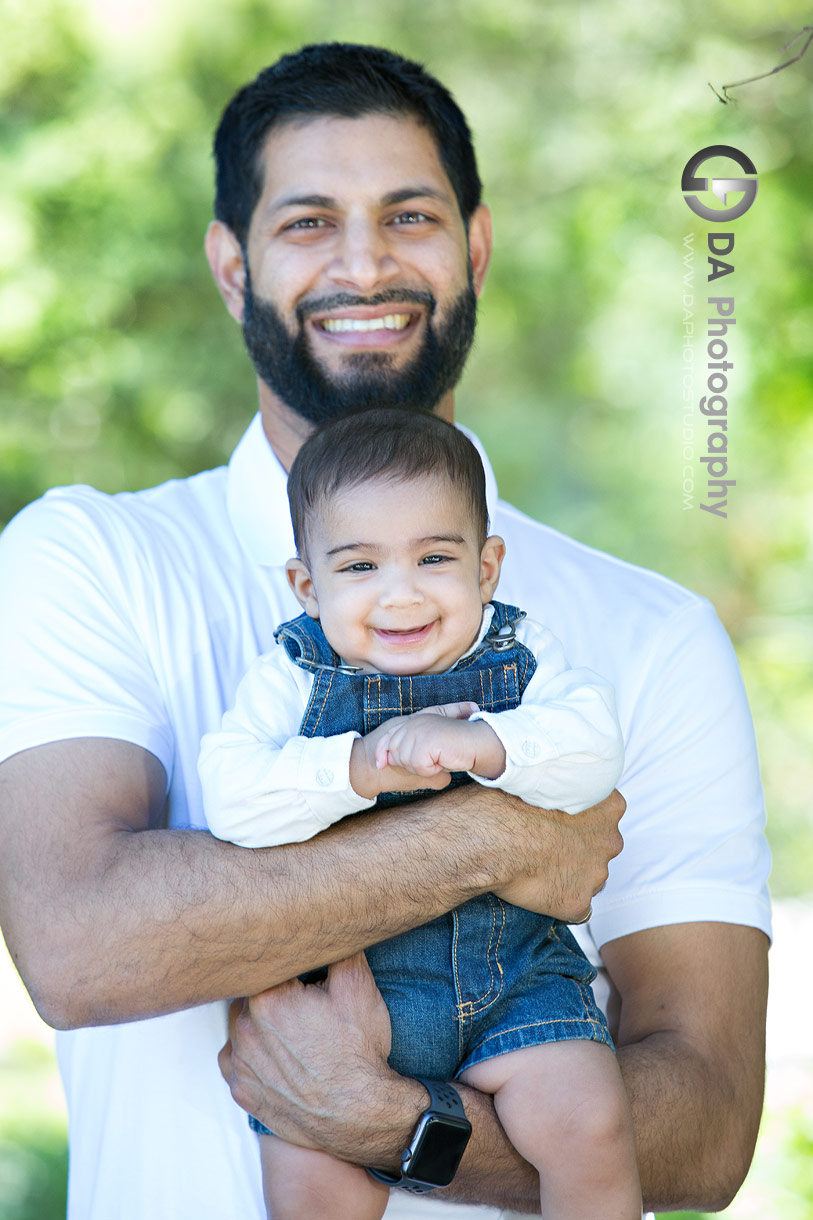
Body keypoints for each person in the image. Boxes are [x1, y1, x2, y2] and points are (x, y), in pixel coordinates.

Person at [0, 41, 770, 1220]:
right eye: (308, 223)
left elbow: (709, 1123)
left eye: (408, 215)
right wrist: (490, 839)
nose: (364, 263)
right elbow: (75, 943)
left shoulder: (651, 633)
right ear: (230, 266)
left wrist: (407, 1132)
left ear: (475, 246)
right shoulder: (89, 559)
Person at [198, 407, 641, 1220]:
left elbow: (593, 749)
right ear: (307, 585)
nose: (400, 594)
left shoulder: (523, 657)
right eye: (359, 566)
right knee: (312, 1192)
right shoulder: (293, 676)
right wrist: (354, 767)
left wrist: (483, 744)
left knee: (590, 1125)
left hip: (516, 981)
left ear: (486, 567)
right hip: (350, 997)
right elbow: (231, 796)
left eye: (434, 557)